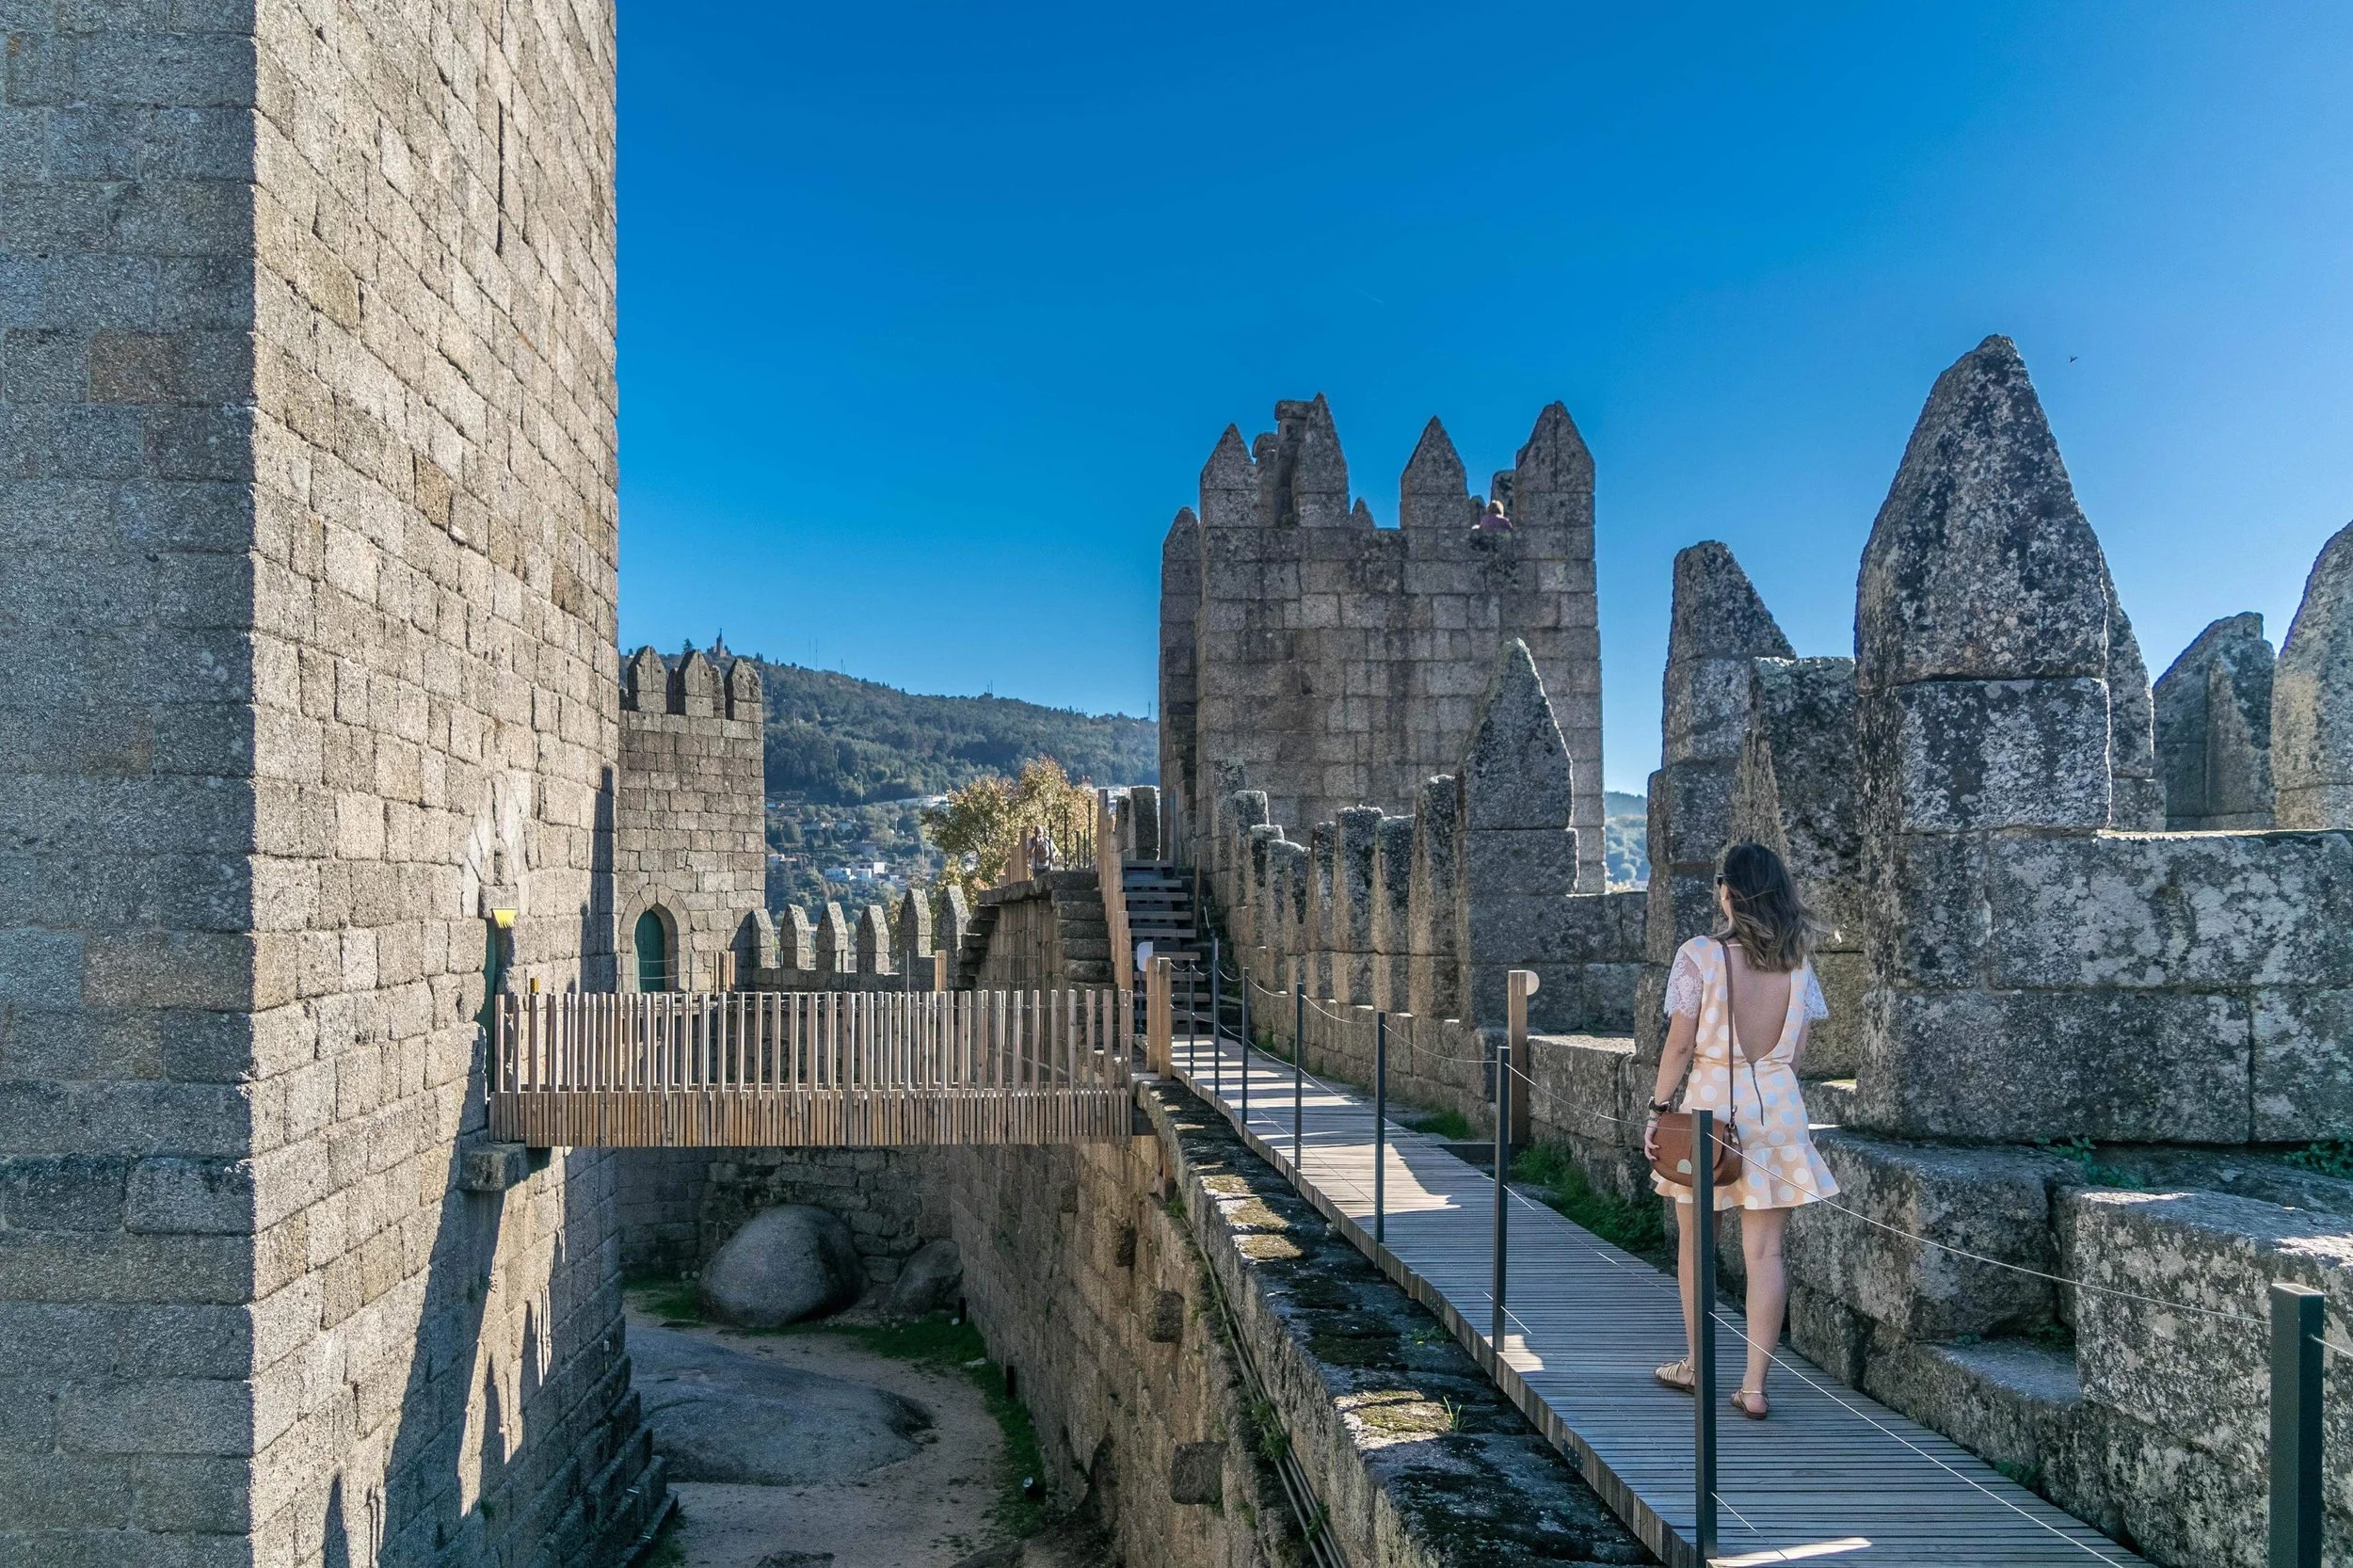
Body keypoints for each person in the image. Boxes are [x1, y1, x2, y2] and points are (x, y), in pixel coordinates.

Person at [1641, 840, 1838, 1419]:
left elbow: (1680, 1044)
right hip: (1778, 1107)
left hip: (1710, 1108)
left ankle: (1697, 1365)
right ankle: (1754, 1386)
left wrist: (1657, 1109)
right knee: (1766, 1252)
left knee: (1697, 1245)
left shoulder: (1700, 955)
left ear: (1727, 890)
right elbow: (1796, 1053)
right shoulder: (1798, 961)